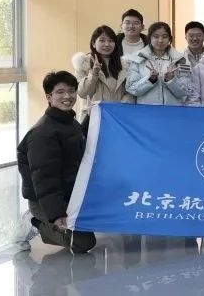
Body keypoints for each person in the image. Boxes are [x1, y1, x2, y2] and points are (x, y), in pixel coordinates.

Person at [17, 71, 96, 253]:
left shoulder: (68, 122)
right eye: (60, 92)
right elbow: (45, 178)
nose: (67, 96)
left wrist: (92, 117)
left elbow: (78, 139)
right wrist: (56, 214)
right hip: (44, 200)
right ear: (49, 97)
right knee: (83, 243)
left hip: (68, 193)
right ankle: (33, 222)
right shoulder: (43, 134)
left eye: (71, 91)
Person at [72, 26, 132, 131]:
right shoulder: (84, 63)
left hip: (118, 118)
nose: (107, 44)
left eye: (111, 41)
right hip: (93, 119)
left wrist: (121, 106)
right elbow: (83, 93)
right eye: (102, 40)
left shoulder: (124, 64)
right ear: (93, 43)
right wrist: (94, 74)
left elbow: (131, 91)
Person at [126, 22, 192, 105]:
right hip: (147, 111)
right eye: (156, 36)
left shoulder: (181, 59)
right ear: (150, 38)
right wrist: (150, 80)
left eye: (164, 37)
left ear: (170, 39)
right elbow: (131, 89)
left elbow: (186, 91)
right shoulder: (138, 58)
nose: (160, 40)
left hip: (173, 111)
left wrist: (171, 81)